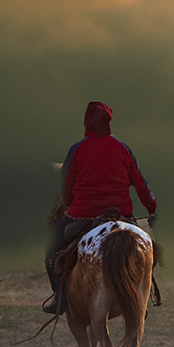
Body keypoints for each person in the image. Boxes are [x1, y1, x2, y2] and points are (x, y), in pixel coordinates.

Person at [43, 101, 157, 314]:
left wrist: (70, 205)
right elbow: (141, 184)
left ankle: (59, 296)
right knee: (146, 247)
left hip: (83, 214)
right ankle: (143, 294)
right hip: (122, 215)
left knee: (51, 247)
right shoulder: (123, 149)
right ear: (109, 123)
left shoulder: (76, 150)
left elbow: (66, 185)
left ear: (87, 123)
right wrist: (151, 208)